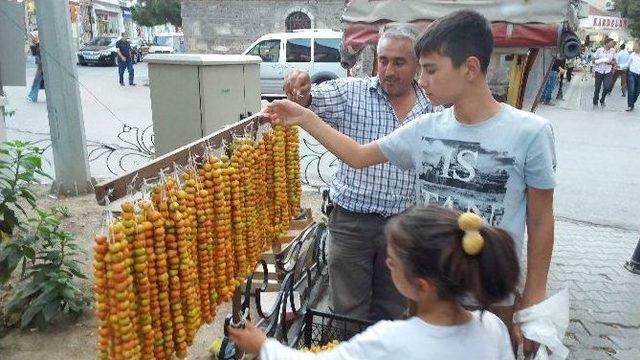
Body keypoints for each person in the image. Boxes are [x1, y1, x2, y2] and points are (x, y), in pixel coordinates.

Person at [263, 10, 556, 356]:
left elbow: (540, 220)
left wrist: (535, 299)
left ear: (471, 67)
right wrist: (304, 117)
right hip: (429, 290)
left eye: (431, 70)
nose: (424, 80)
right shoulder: (427, 128)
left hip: (490, 292)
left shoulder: (530, 132)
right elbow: (358, 156)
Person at [283, 25, 441, 322]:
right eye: (383, 60)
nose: (389, 70)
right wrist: (300, 88)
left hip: (403, 226)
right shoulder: (350, 92)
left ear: (417, 64)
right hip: (352, 225)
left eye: (399, 62)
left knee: (393, 311)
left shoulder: (432, 107)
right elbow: (307, 100)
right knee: (347, 312)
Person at [229, 206, 519, 360]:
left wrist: (264, 345)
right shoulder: (491, 327)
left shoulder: (390, 341)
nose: (386, 264)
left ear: (421, 287)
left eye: (392, 262)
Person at [592, 38, 616, 108]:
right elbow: (593, 60)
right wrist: (602, 60)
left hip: (608, 71)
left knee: (607, 87)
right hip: (599, 71)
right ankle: (595, 102)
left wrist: (611, 62)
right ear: (606, 43)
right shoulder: (599, 50)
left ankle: (602, 99)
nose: (612, 44)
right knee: (597, 88)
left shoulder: (613, 51)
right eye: (611, 42)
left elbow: (614, 61)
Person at [26, 31, 44, 103]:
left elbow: (41, 58)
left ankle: (32, 96)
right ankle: (32, 96)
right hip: (40, 68)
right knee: (37, 83)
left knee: (37, 82)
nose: (32, 39)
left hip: (41, 68)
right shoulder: (37, 46)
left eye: (33, 37)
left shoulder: (40, 46)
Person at [626, 41, 640, 112]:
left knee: (637, 92)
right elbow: (627, 64)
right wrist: (620, 66)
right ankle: (630, 105)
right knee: (631, 90)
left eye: (636, 45)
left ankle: (632, 103)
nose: (634, 47)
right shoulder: (632, 55)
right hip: (632, 74)